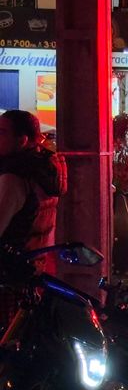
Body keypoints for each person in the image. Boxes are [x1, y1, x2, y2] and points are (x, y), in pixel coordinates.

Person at [0, 110, 67, 327]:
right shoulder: (45, 172)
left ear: (22, 140)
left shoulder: (14, 178)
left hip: (7, 273)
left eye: (2, 132)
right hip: (33, 268)